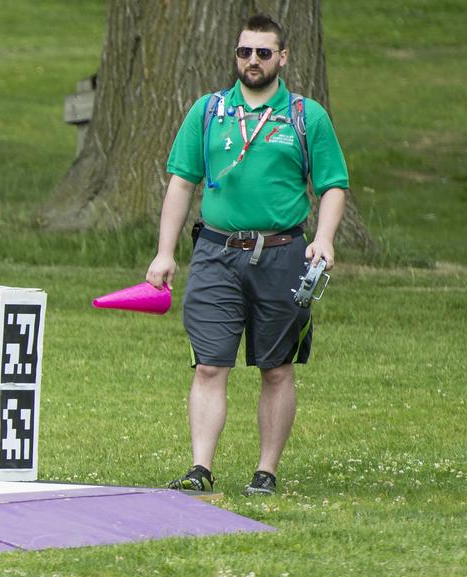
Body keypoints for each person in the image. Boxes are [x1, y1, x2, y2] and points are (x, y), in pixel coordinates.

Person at [145, 13, 349, 496]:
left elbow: (333, 185)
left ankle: (266, 471)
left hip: (282, 254)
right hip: (216, 251)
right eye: (244, 52)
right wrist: (164, 252)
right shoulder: (209, 111)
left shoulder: (305, 115)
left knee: (276, 368)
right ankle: (200, 469)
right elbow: (180, 182)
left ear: (282, 57)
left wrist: (324, 238)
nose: (252, 61)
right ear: (235, 55)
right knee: (210, 365)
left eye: (262, 52)